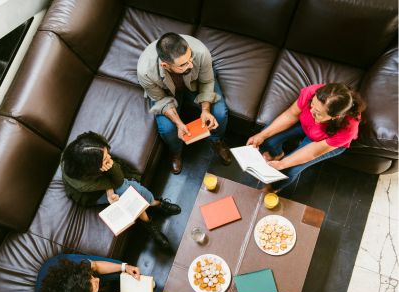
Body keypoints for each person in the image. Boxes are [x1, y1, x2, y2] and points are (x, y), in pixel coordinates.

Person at [61, 131, 181, 249]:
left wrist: (110, 187)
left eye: (107, 153)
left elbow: (112, 179)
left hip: (101, 177)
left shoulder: (95, 143)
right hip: (91, 193)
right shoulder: (82, 183)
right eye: (105, 159)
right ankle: (153, 209)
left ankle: (153, 209)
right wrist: (111, 168)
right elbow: (116, 181)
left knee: (126, 189)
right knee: (125, 189)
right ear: (93, 168)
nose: (109, 157)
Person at [137, 32, 231, 175]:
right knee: (168, 129)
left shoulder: (200, 52)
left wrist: (205, 110)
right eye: (183, 64)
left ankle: (217, 139)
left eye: (190, 58)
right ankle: (176, 150)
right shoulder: (145, 71)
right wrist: (179, 123)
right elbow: (161, 100)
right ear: (165, 66)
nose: (191, 64)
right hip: (167, 92)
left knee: (219, 113)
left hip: (196, 82)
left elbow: (206, 81)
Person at [246, 83, 366, 193]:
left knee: (289, 170)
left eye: (318, 112)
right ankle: (277, 155)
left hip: (325, 142)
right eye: (312, 104)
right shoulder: (313, 92)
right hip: (307, 125)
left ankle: (273, 188)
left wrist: (282, 164)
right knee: (268, 139)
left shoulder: (348, 128)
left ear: (334, 117)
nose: (311, 110)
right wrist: (262, 135)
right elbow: (290, 115)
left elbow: (312, 151)